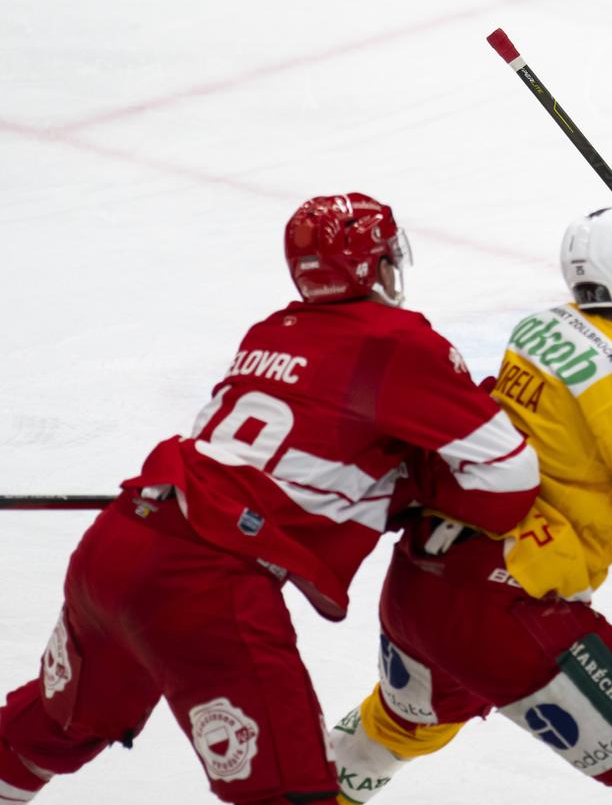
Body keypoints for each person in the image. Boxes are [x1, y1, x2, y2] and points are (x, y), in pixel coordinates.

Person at [0, 193, 539, 804]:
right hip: (206, 583)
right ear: (374, 268)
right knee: (292, 795)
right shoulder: (399, 343)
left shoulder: (270, 331)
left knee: (55, 726)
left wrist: (373, 491)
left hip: (123, 539)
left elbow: (298, 455)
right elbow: (510, 481)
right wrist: (423, 497)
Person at [328, 205, 612, 805]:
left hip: (420, 582)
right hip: (507, 605)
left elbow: (577, 453)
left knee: (399, 727)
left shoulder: (542, 330)